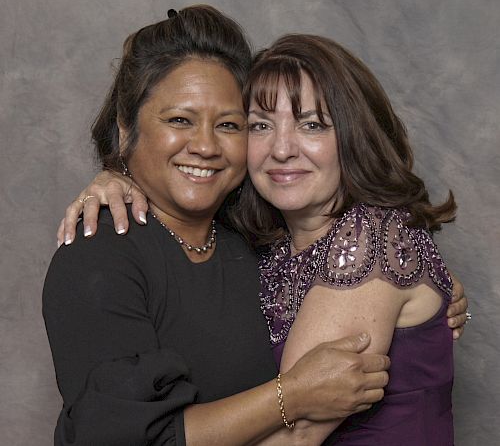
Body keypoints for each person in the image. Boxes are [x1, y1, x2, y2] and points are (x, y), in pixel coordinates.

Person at [61, 28, 470, 445]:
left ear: (354, 136)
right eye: (259, 126)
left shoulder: (364, 243)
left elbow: (297, 438)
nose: (281, 149)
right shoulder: (266, 244)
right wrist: (115, 173)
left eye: (312, 125)